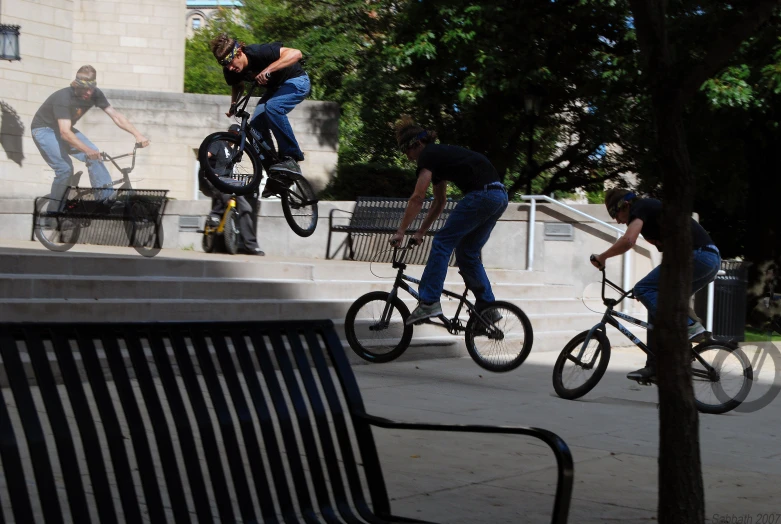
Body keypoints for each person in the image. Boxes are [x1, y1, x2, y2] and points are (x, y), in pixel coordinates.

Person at [590, 188, 722, 380]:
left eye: (614, 213)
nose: (616, 220)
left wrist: (603, 257)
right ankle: (655, 366)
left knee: (644, 288)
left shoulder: (641, 207)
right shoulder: (651, 216)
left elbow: (628, 240)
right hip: (708, 260)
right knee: (656, 308)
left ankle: (690, 327)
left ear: (625, 205)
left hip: (699, 255)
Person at [389, 116, 509, 325]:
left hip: (482, 194)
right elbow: (439, 201)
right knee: (467, 253)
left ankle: (429, 301)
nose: (408, 158)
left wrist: (401, 230)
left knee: (443, 242)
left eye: (406, 151)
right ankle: (487, 309)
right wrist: (420, 232)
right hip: (499, 196)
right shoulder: (439, 157)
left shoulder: (428, 155)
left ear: (417, 144)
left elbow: (418, 197)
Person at [31, 65, 150, 210]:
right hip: (44, 130)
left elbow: (116, 116)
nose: (88, 93)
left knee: (95, 153)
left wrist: (137, 134)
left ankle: (105, 200)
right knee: (64, 169)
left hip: (65, 129)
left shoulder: (95, 94)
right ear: (76, 86)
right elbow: (65, 132)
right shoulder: (63, 97)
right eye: (84, 89)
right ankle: (52, 214)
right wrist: (86, 150)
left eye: (91, 88)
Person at [209, 33, 310, 197]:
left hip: (296, 81)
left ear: (239, 52)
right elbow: (237, 85)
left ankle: (292, 157)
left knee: (272, 107)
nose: (230, 68)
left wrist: (268, 69)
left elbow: (296, 53)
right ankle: (275, 174)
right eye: (226, 65)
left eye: (231, 63)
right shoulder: (231, 70)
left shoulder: (259, 52)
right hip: (275, 90)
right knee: (255, 126)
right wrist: (234, 104)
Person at [199, 126, 264, 256]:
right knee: (225, 194)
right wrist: (211, 173)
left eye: (238, 136)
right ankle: (215, 215)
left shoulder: (235, 150)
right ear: (230, 134)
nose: (236, 138)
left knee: (245, 208)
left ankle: (251, 246)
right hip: (210, 179)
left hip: (226, 182)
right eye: (234, 134)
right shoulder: (219, 144)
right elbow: (204, 157)